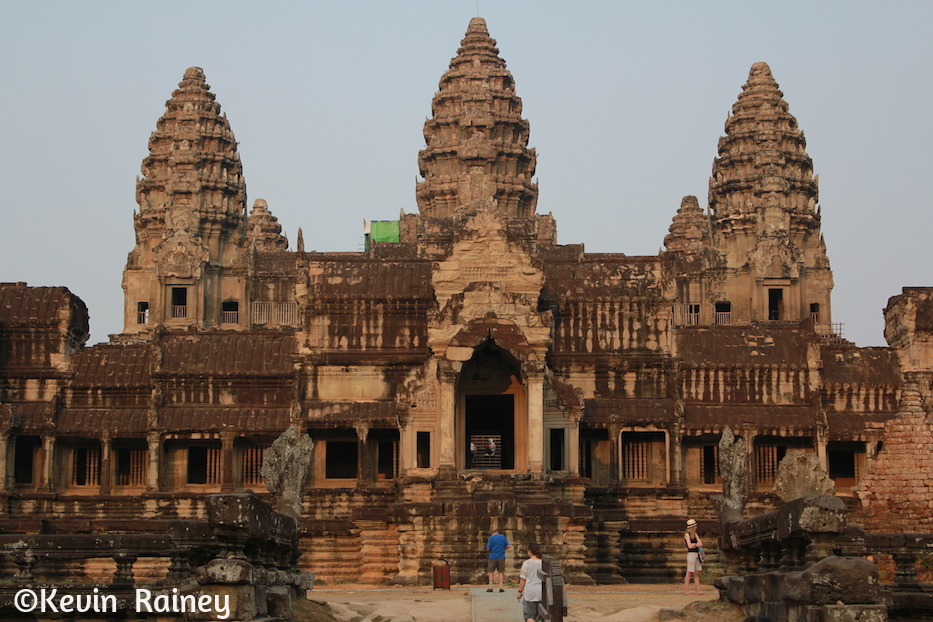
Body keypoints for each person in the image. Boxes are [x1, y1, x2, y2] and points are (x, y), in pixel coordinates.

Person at [516, 542, 543, 622]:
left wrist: (520, 591)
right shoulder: (543, 563)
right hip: (541, 591)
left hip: (530, 591)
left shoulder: (526, 563)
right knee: (540, 616)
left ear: (530, 551)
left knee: (529, 615)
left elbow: (523, 579)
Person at [683, 518, 704, 595]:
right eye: (695, 526)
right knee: (689, 572)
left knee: (697, 572)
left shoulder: (695, 534)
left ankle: (698, 590)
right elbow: (689, 546)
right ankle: (686, 590)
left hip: (697, 554)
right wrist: (696, 545)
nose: (696, 527)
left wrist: (694, 545)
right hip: (691, 554)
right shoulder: (687, 535)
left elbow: (701, 544)